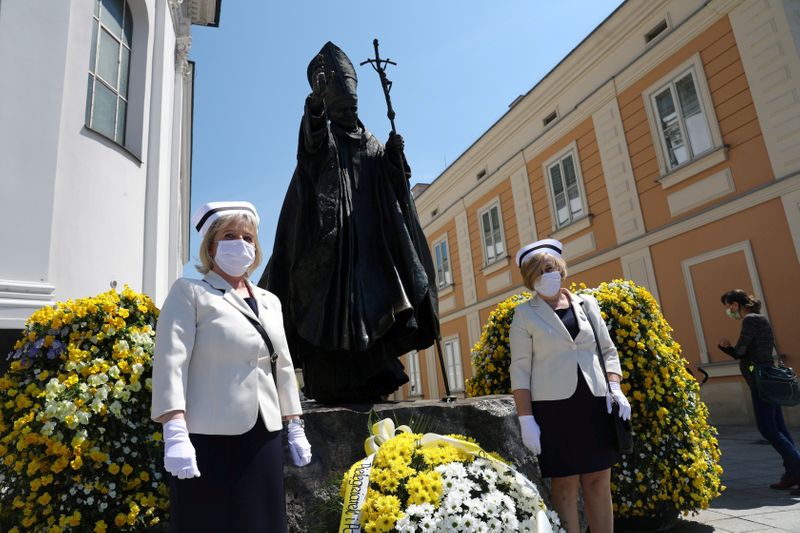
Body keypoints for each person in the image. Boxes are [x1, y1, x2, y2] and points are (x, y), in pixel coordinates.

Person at [259, 42, 439, 403]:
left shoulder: (369, 139)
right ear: (330, 107)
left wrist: (393, 160)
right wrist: (314, 106)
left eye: (353, 105)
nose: (349, 110)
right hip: (331, 248)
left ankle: (371, 382)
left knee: (377, 308)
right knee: (331, 316)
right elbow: (310, 149)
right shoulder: (325, 133)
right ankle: (329, 383)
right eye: (340, 106)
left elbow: (391, 185)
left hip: (370, 246)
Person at [151, 201, 312, 533]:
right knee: (209, 521)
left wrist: (294, 424)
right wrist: (174, 429)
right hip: (208, 436)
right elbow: (171, 360)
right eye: (229, 235)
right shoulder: (191, 292)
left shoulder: (270, 301)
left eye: (248, 237)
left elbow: (281, 364)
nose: (241, 243)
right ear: (211, 245)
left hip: (264, 433)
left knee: (263, 521)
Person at [509, 239, 630, 533]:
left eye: (549, 268)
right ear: (529, 280)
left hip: (594, 403)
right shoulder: (524, 314)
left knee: (599, 481)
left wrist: (615, 386)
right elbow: (520, 370)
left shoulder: (587, 304)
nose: (545, 276)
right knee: (565, 484)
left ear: (561, 270)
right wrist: (526, 419)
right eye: (537, 272)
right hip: (554, 409)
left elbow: (608, 350)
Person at [718, 289, 800, 493]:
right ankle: (791, 473)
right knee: (778, 427)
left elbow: (741, 351)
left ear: (736, 305)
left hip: (760, 381)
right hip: (766, 378)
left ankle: (797, 471)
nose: (729, 311)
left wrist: (726, 347)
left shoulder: (750, 320)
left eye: (729, 307)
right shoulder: (759, 319)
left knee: (768, 428)